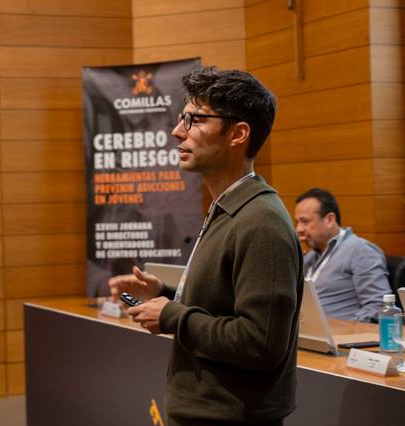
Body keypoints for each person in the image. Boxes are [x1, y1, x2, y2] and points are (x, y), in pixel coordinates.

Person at [108, 67, 304, 426]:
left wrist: (171, 315)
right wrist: (164, 293)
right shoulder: (230, 208)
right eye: (184, 118)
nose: (177, 131)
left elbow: (259, 344)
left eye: (195, 120)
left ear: (238, 133)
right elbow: (221, 306)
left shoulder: (262, 222)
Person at [294, 188, 391, 323]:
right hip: (310, 335)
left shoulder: (361, 251)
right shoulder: (309, 257)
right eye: (297, 222)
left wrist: (345, 331)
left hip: (344, 339)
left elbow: (379, 306)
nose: (299, 229)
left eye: (305, 221)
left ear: (329, 219)